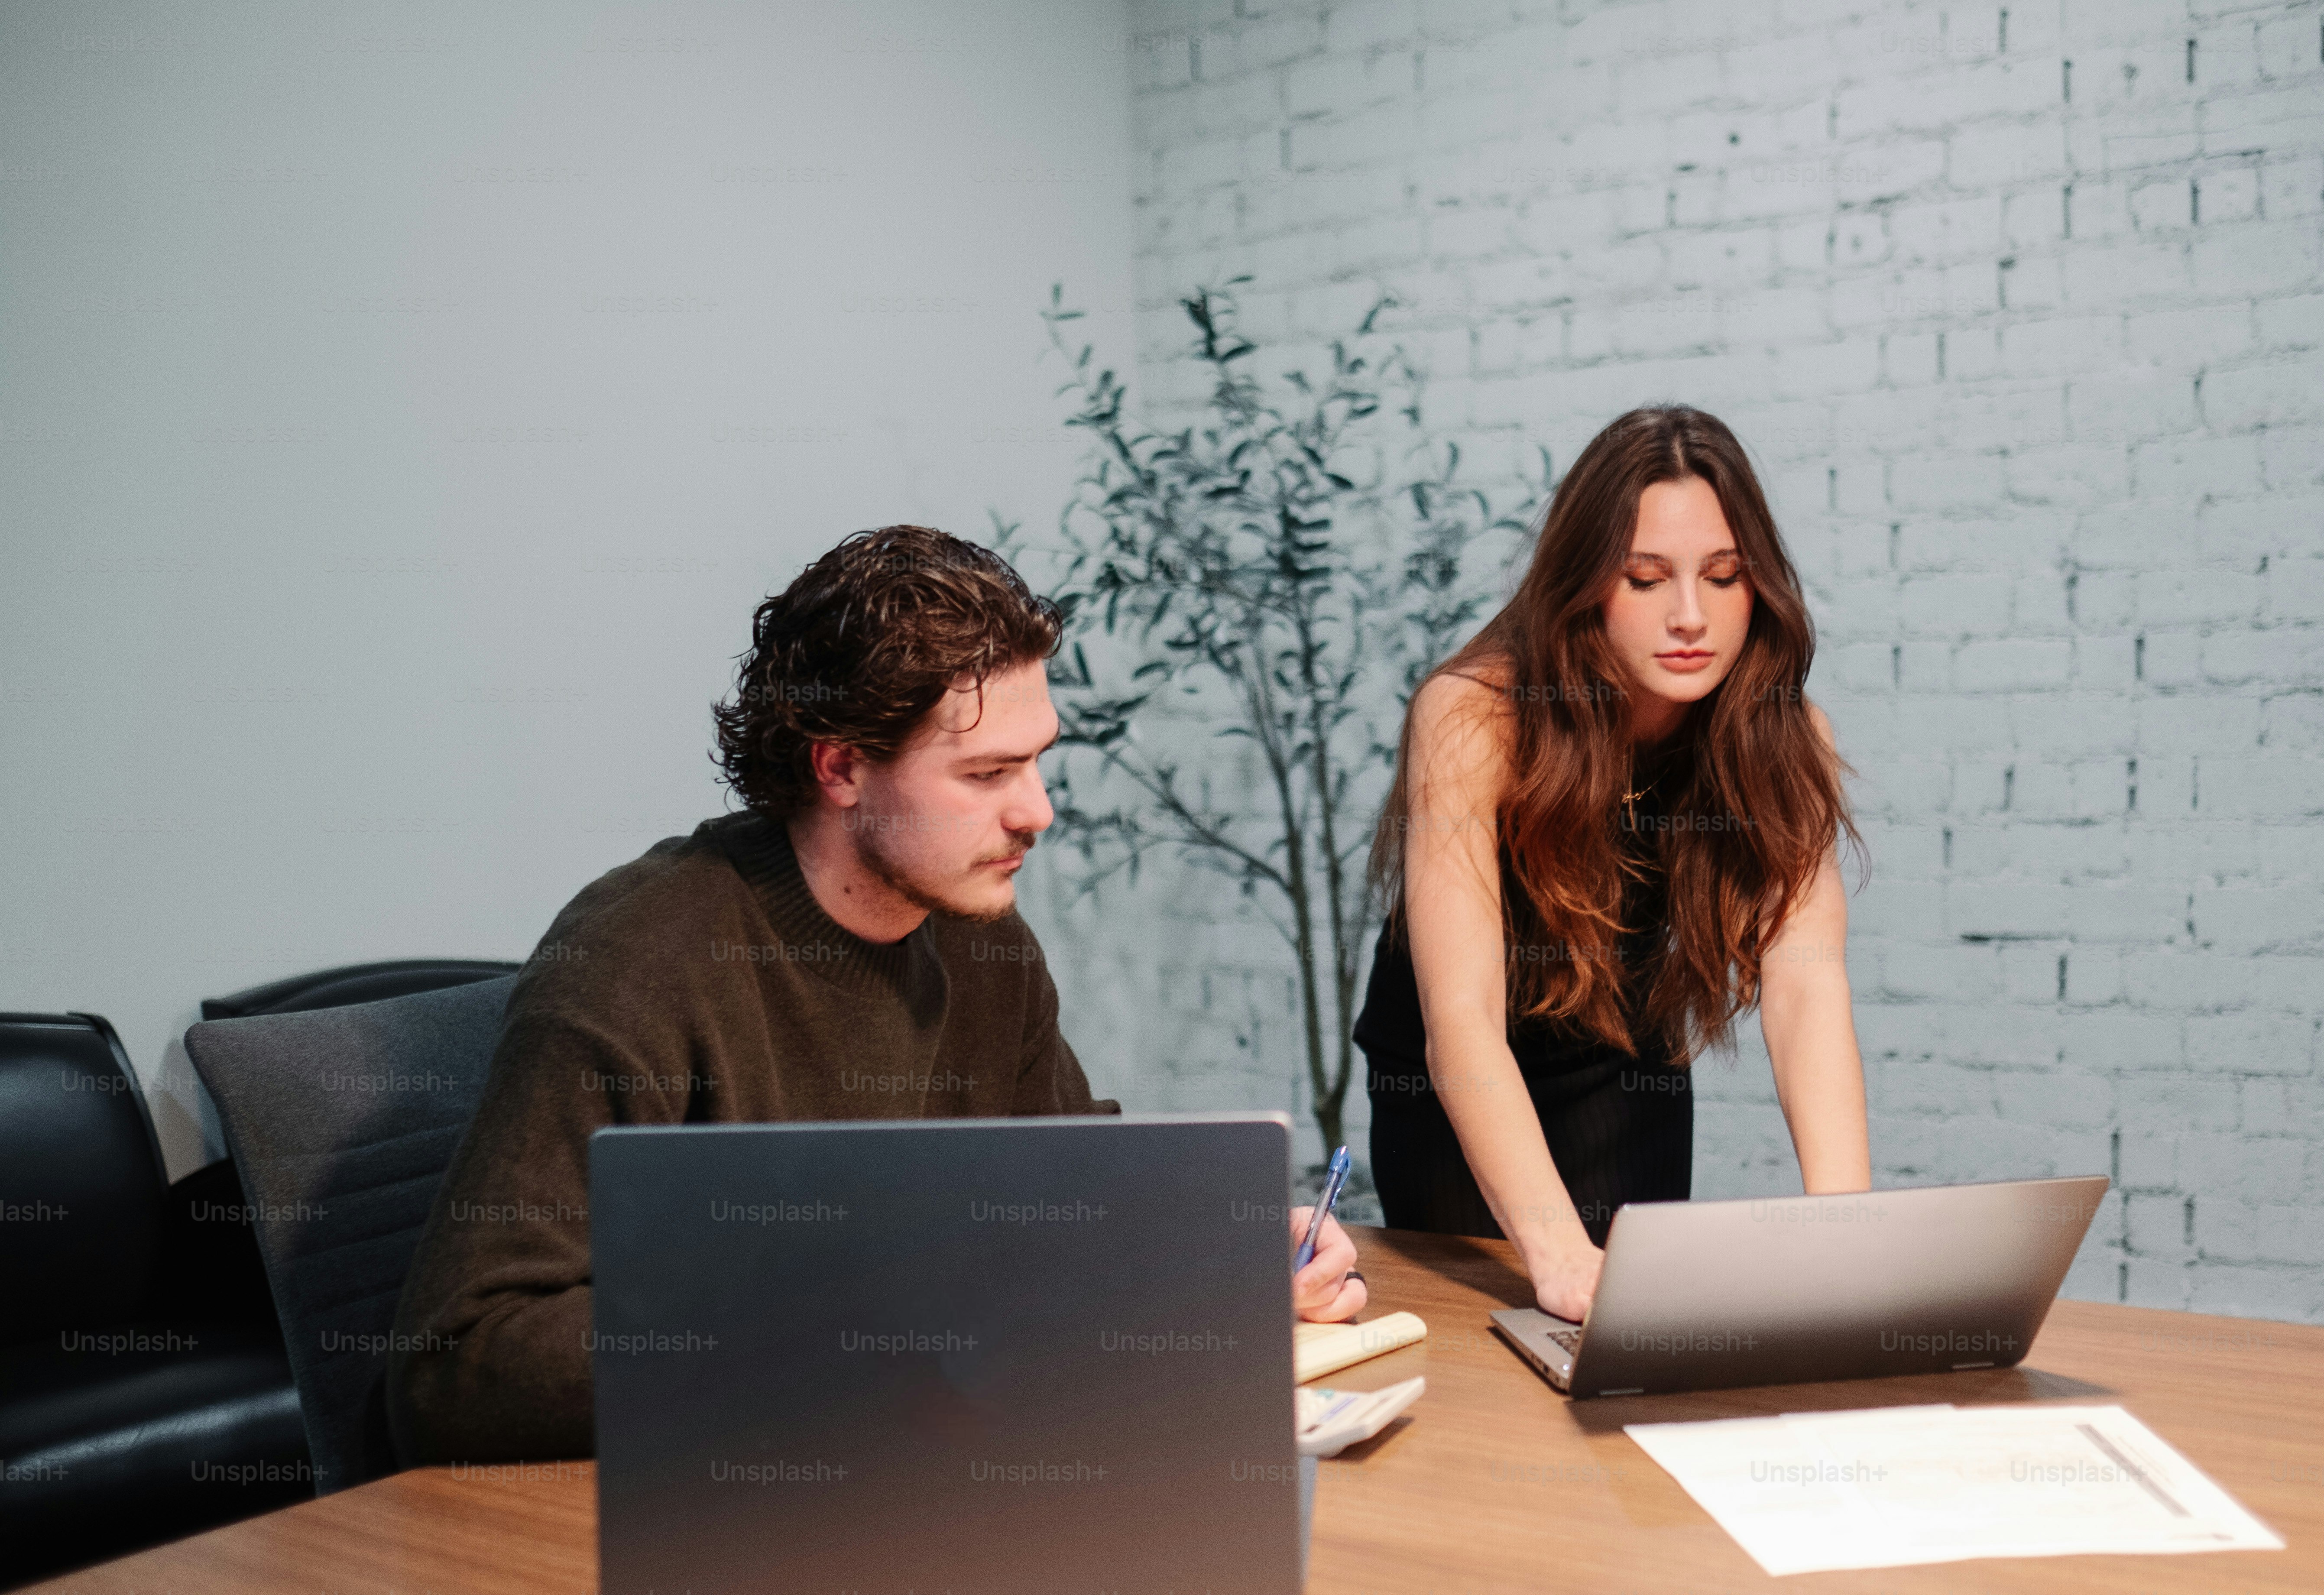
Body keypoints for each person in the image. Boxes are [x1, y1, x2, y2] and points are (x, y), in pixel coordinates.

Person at [391, 526, 1363, 1465]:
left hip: (917, 1476)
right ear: (843, 765)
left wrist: (1223, 1253)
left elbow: (1072, 1200)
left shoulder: (983, 941)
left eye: (1038, 759)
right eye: (986, 773)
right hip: (700, 1510)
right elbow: (459, 1368)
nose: (1038, 811)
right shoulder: (639, 963)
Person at [1352, 404, 1872, 1324]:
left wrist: (1848, 1237)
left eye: (1723, 577)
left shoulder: (1784, 737)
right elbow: (1461, 1017)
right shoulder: (1476, 716)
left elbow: (1805, 983)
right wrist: (1552, 1250)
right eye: (1645, 578)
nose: (1689, 617)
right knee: (1499, 1364)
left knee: (1627, 1358)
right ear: (1589, 581)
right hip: (1463, 1086)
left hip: (1629, 1068)